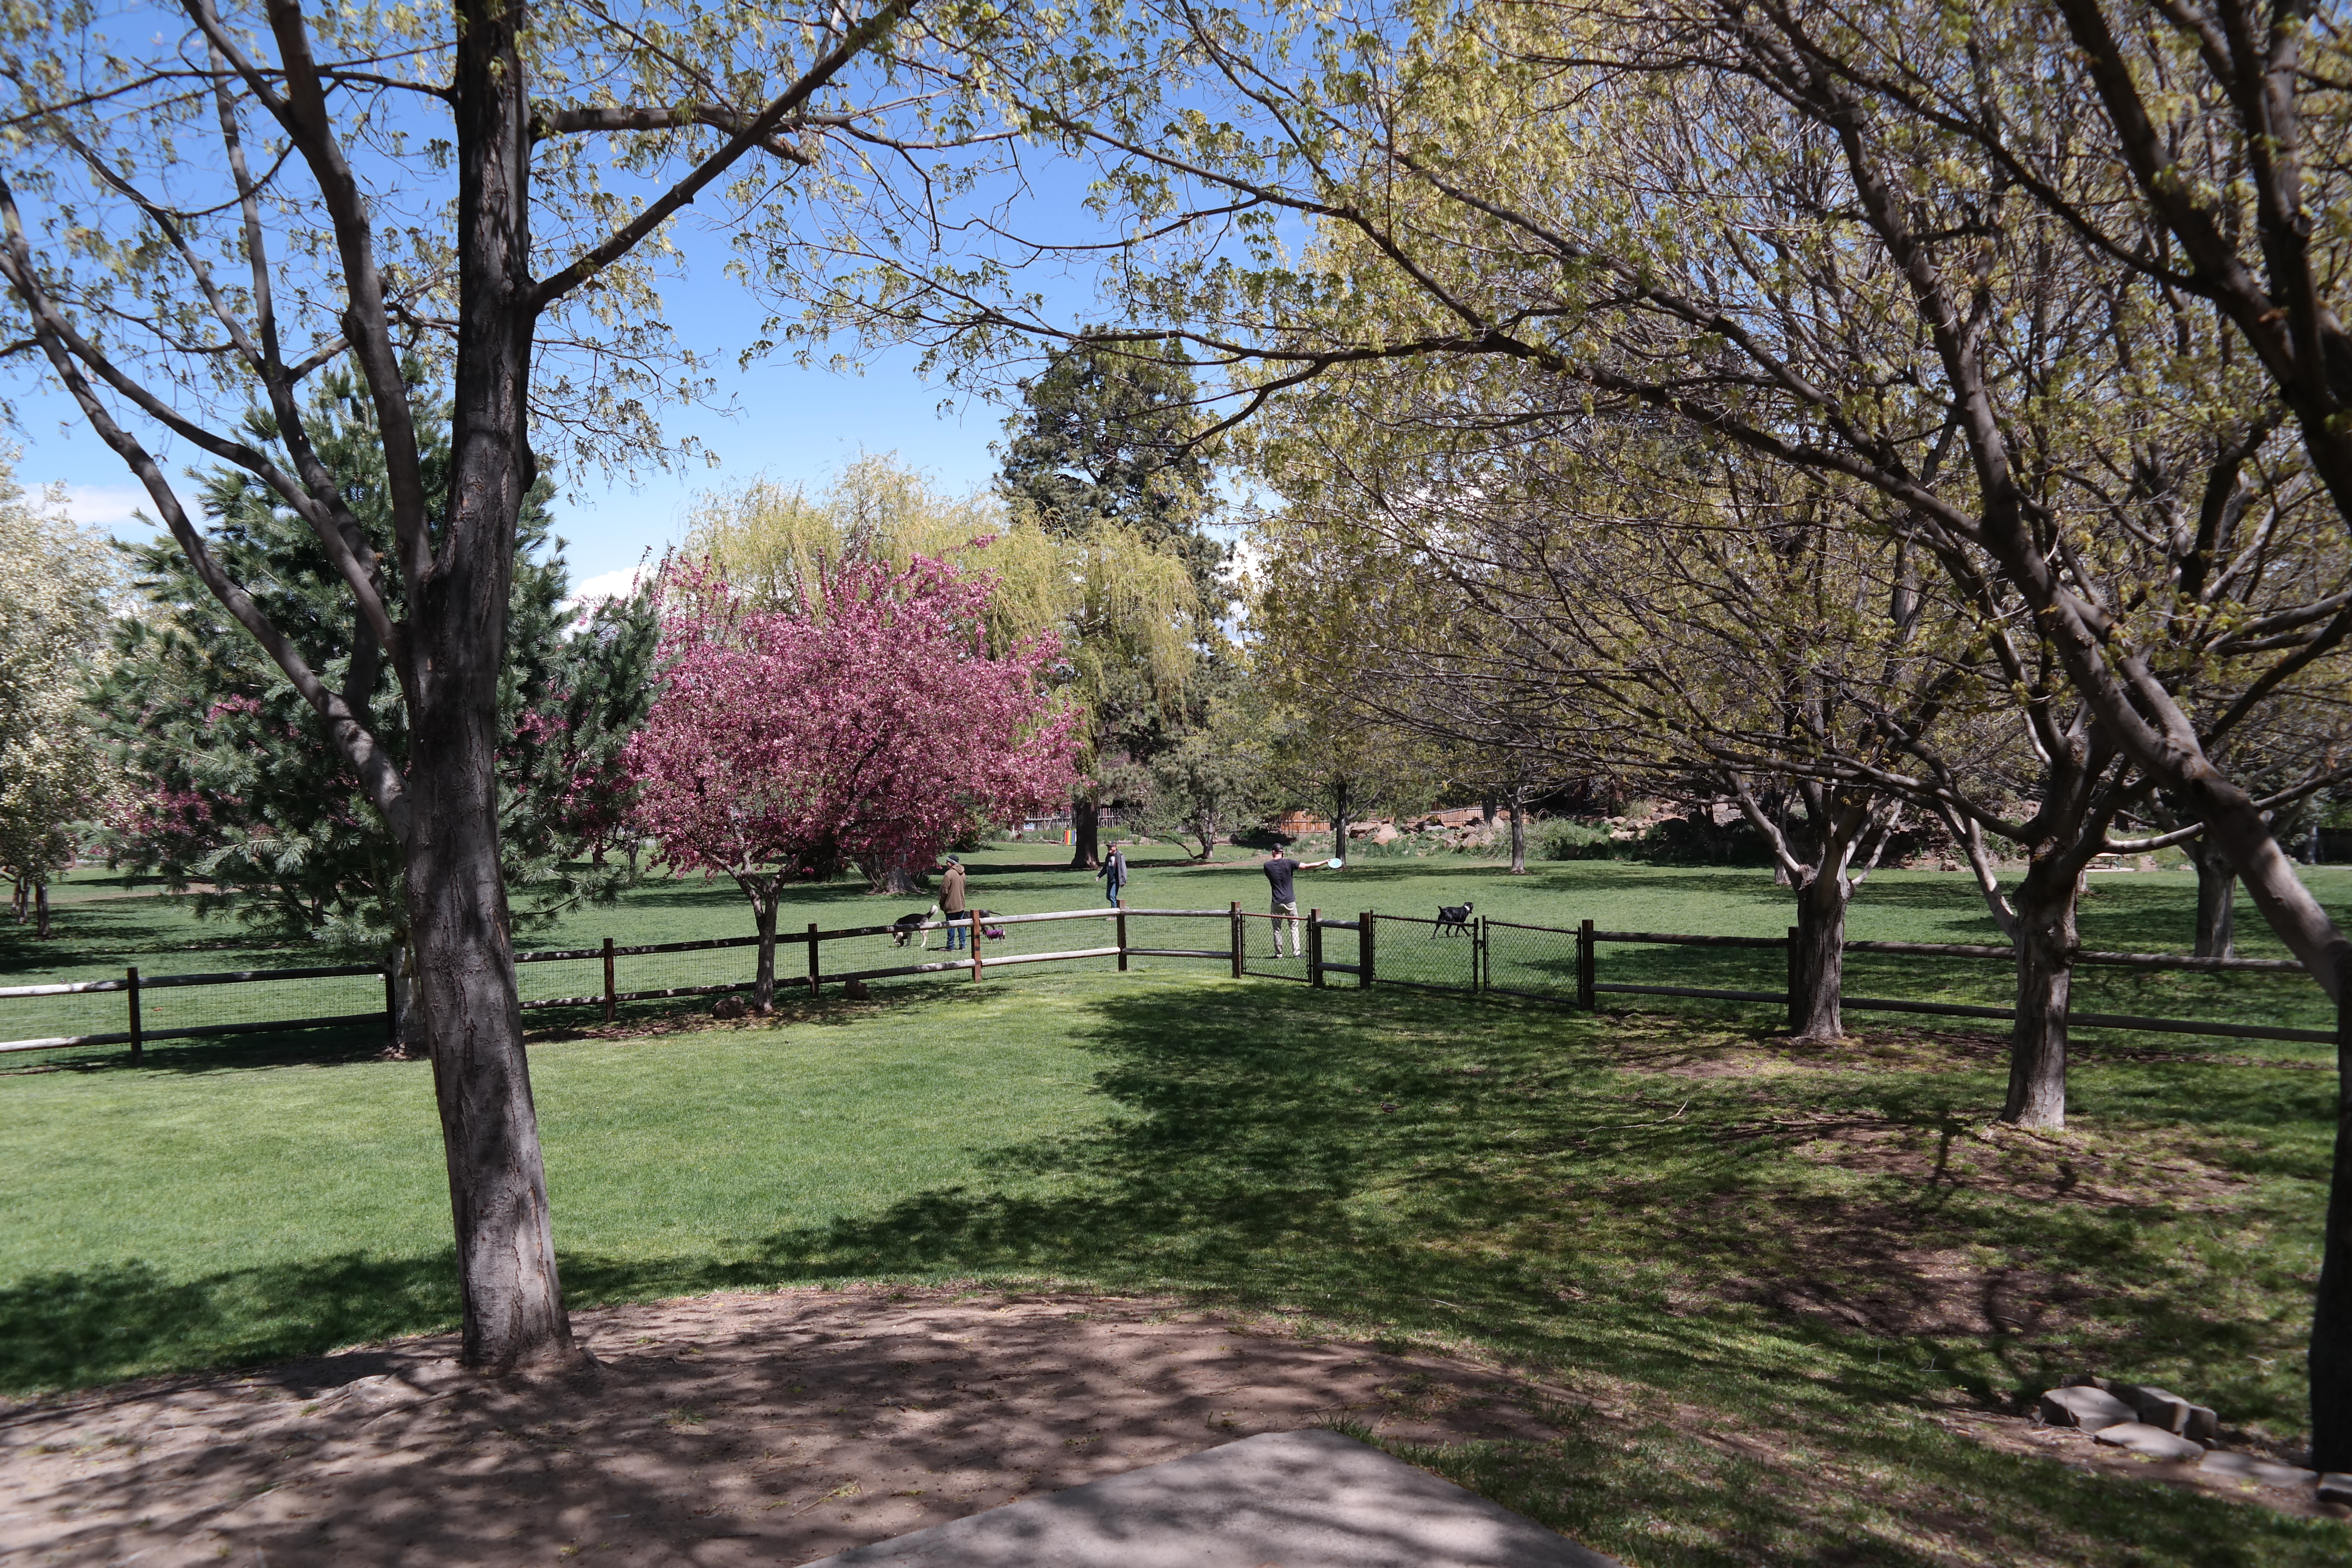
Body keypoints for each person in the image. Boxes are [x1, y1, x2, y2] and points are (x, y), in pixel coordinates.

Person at [1262, 847, 1335, 957]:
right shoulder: (1289, 863)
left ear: (1273, 852)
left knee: (1277, 929)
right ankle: (1297, 953)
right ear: (1283, 853)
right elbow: (1307, 867)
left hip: (1276, 902)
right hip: (1290, 902)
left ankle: (1279, 954)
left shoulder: (1267, 865)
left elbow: (1270, 879)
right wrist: (1324, 862)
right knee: (1294, 927)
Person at [940, 854, 970, 951]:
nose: (946, 864)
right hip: (961, 904)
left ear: (952, 863)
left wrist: (942, 903)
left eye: (948, 862)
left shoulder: (949, 874)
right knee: (961, 925)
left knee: (951, 925)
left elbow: (944, 891)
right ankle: (963, 945)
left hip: (951, 905)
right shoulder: (963, 874)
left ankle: (951, 946)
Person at [1099, 842, 1130, 909]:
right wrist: (1099, 876)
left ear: (1115, 848)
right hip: (1110, 879)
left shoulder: (1119, 855)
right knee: (1108, 896)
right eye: (1108, 847)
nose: (1109, 849)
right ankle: (1122, 907)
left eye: (1111, 847)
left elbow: (1123, 868)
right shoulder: (1109, 856)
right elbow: (1105, 868)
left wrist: (1123, 881)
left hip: (1117, 880)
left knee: (1112, 896)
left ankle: (1113, 915)